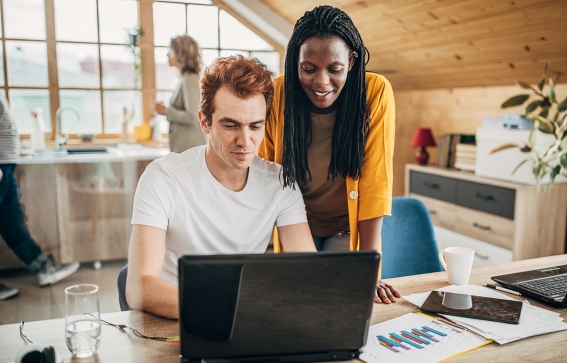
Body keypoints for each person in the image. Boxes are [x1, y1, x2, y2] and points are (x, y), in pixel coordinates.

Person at [127, 56, 316, 319]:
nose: (245, 141)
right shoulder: (163, 177)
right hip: (173, 317)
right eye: (231, 125)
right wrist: (228, 306)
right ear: (204, 122)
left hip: (242, 317)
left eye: (255, 126)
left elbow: (309, 272)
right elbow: (138, 288)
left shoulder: (281, 183)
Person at [258, 5, 400, 305]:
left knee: (344, 298)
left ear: (351, 61)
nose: (321, 83)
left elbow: (375, 182)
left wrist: (368, 266)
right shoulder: (280, 92)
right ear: (295, 60)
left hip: (344, 228)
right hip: (296, 224)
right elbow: (264, 173)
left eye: (334, 69)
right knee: (302, 301)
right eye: (308, 68)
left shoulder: (374, 92)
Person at [0, 94, 79, 301]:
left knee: (10, 221)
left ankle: (41, 266)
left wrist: (15, 149)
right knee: (10, 221)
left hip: (6, 162)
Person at [153, 35, 206, 153]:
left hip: (190, 150)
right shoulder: (184, 79)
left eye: (170, 51)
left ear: (181, 54)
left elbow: (194, 117)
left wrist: (165, 111)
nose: (167, 55)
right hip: (185, 149)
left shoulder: (190, 80)